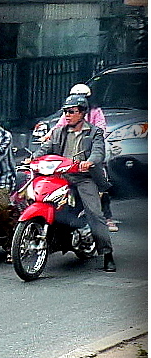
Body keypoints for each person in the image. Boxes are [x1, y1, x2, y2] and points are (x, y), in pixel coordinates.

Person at [39, 94, 115, 272]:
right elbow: (45, 149)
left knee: (95, 214)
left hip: (83, 178)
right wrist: (31, 159)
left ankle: (107, 253)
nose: (67, 115)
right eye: (65, 111)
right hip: (60, 177)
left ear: (82, 113)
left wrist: (90, 162)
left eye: (72, 112)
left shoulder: (94, 132)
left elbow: (98, 152)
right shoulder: (58, 132)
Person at [55, 83, 116, 231]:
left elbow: (101, 128)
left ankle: (107, 218)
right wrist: (50, 136)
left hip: (91, 151)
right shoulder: (69, 114)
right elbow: (58, 127)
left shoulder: (95, 112)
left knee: (100, 182)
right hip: (73, 153)